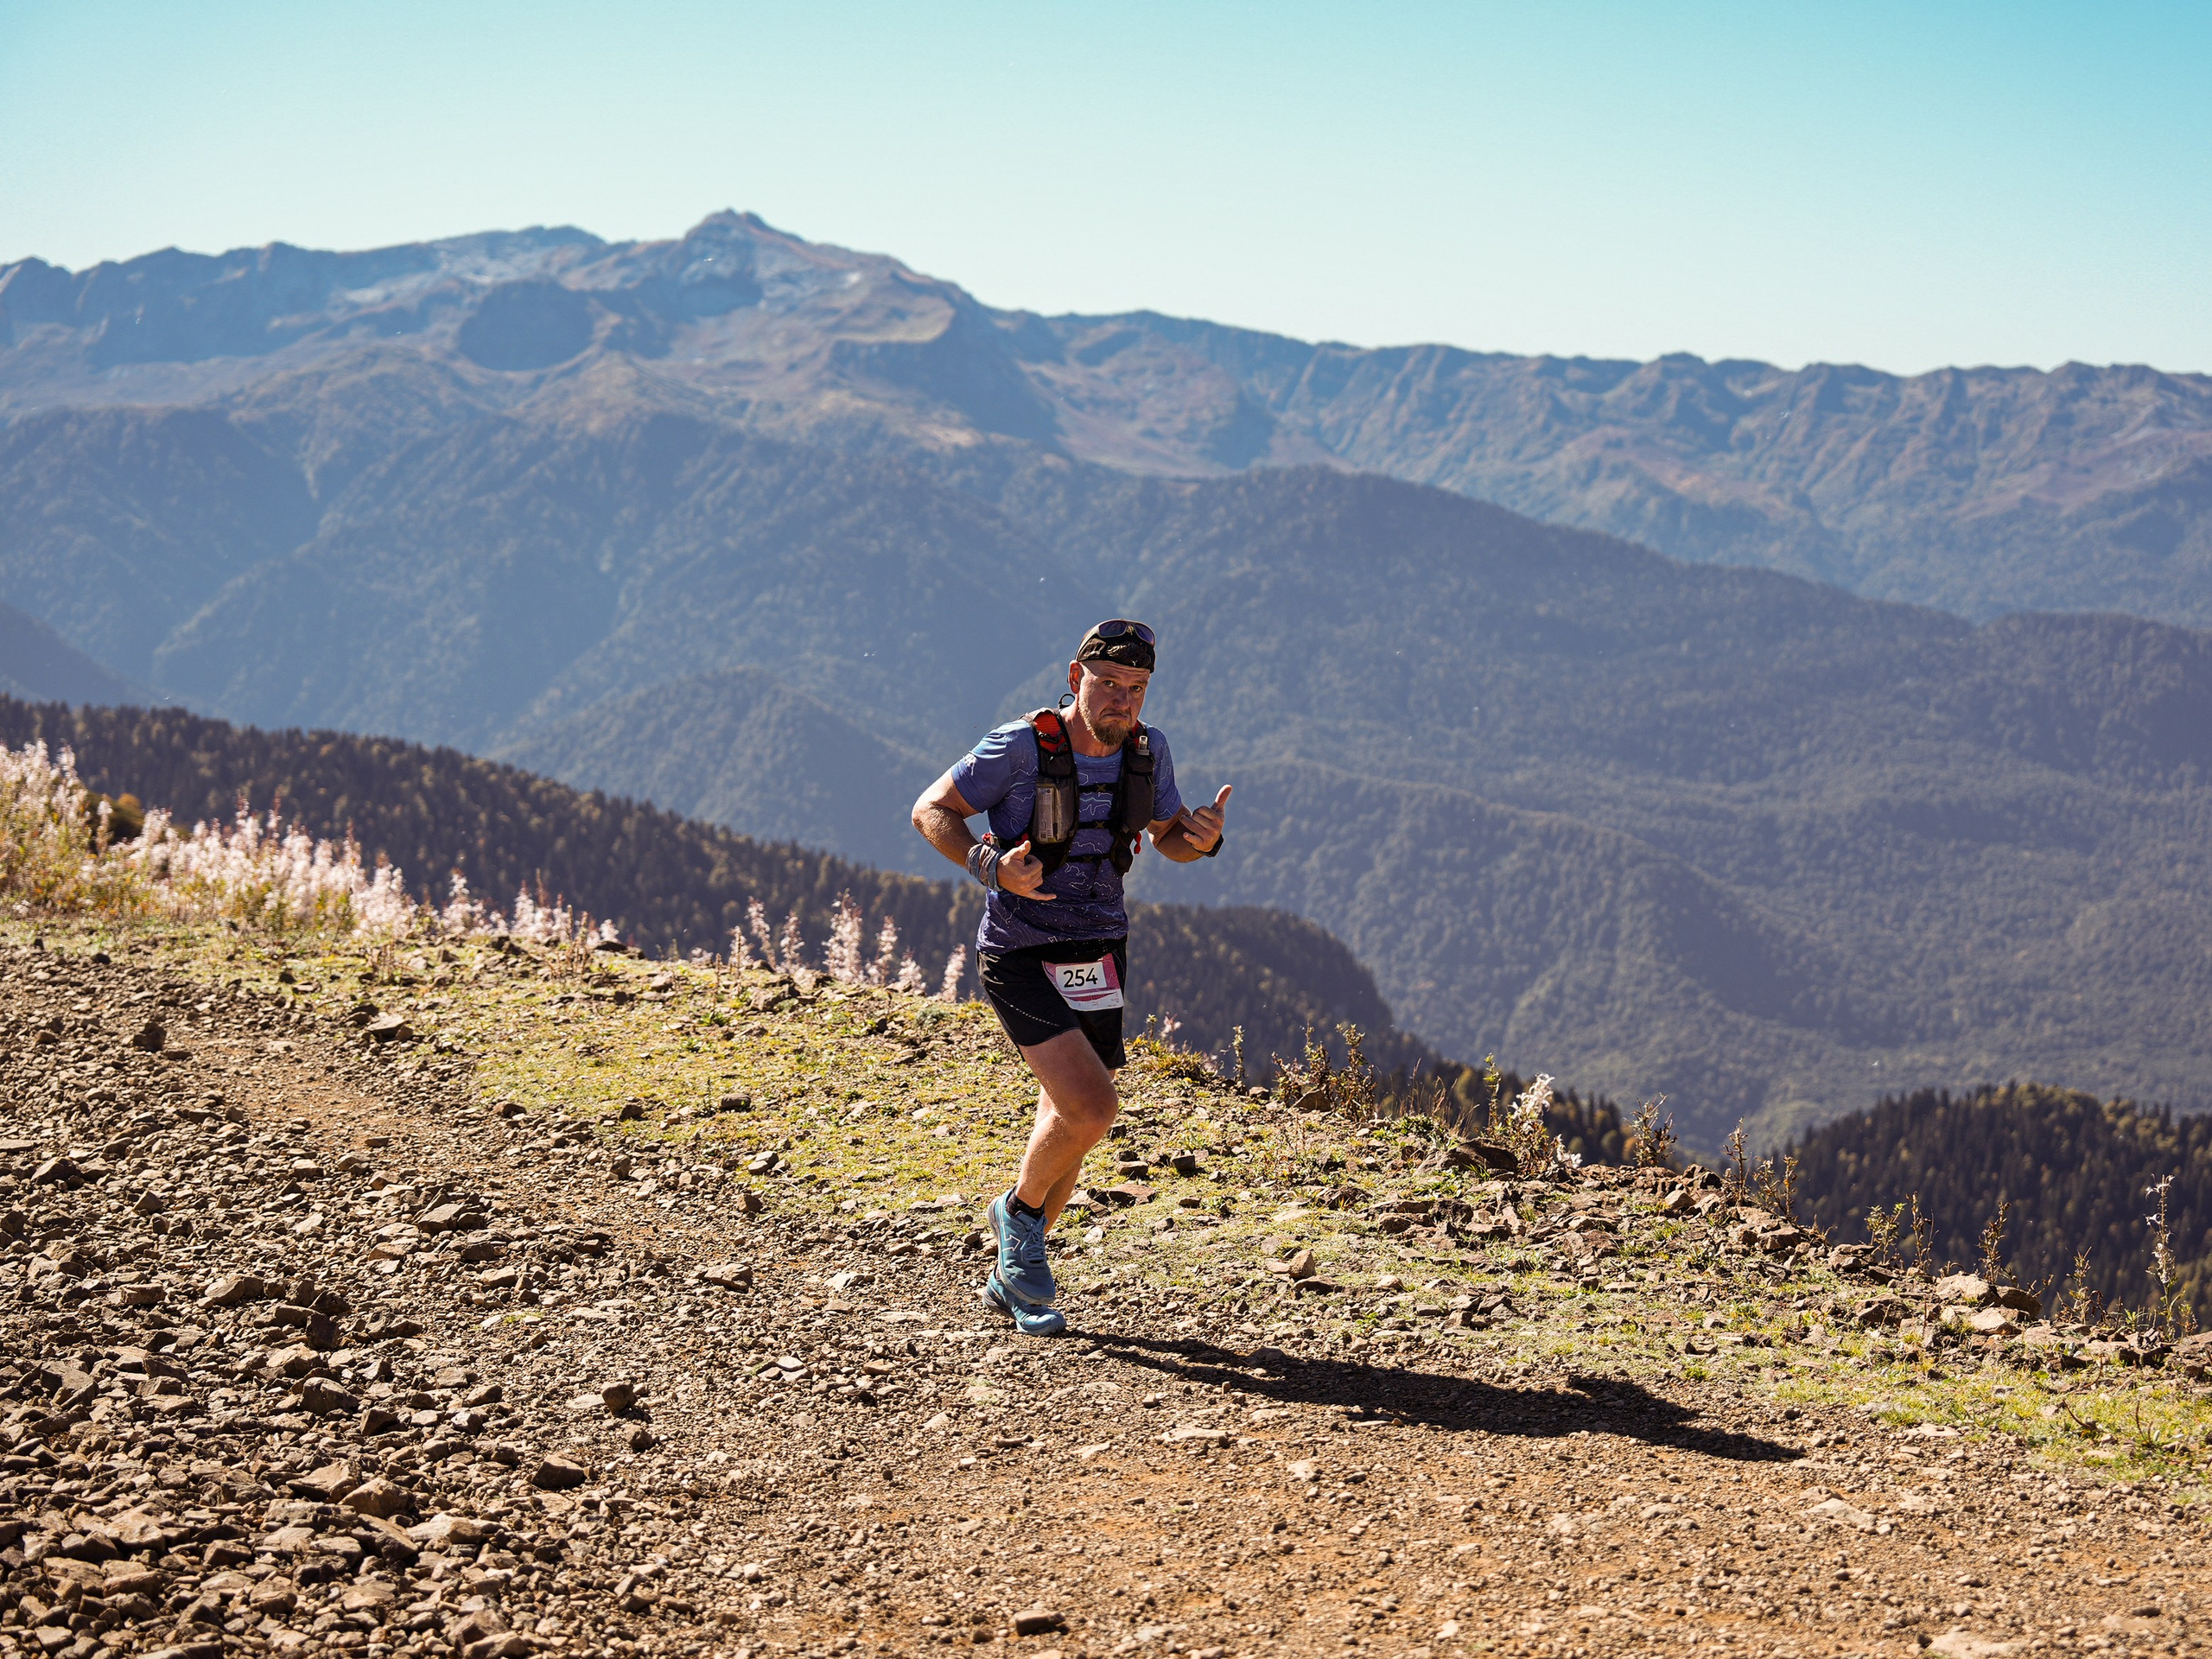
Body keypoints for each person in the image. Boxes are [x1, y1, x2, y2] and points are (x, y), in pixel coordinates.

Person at [910, 620, 1231, 1337]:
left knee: (1068, 1122)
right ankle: (1018, 1214)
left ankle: (1016, 1278)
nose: (1122, 701)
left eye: (1137, 689)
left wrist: (1201, 840)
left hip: (1100, 951)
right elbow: (930, 809)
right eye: (1109, 684)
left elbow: (1168, 838)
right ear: (1075, 676)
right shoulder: (1018, 747)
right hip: (1020, 951)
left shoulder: (1147, 749)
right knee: (1092, 1109)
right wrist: (989, 866)